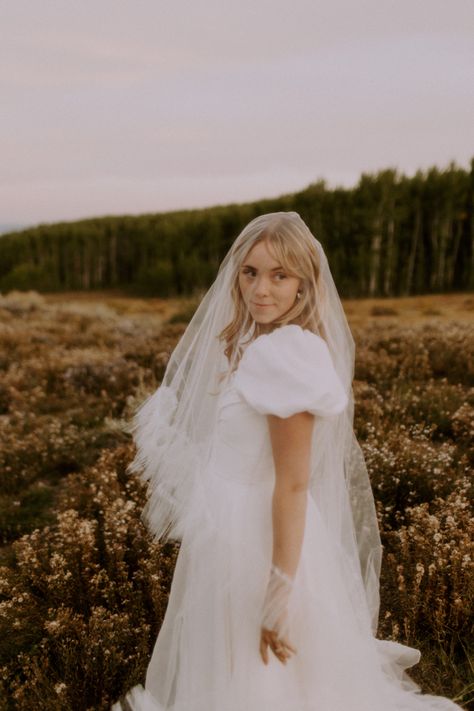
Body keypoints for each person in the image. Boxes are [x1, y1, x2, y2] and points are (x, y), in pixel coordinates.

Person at [113, 212, 462, 711]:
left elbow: (294, 485)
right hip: (228, 535)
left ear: (304, 283)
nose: (261, 289)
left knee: (264, 683)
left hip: (264, 543)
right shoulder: (255, 342)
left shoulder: (289, 355)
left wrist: (280, 593)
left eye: (280, 275)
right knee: (230, 666)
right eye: (251, 272)